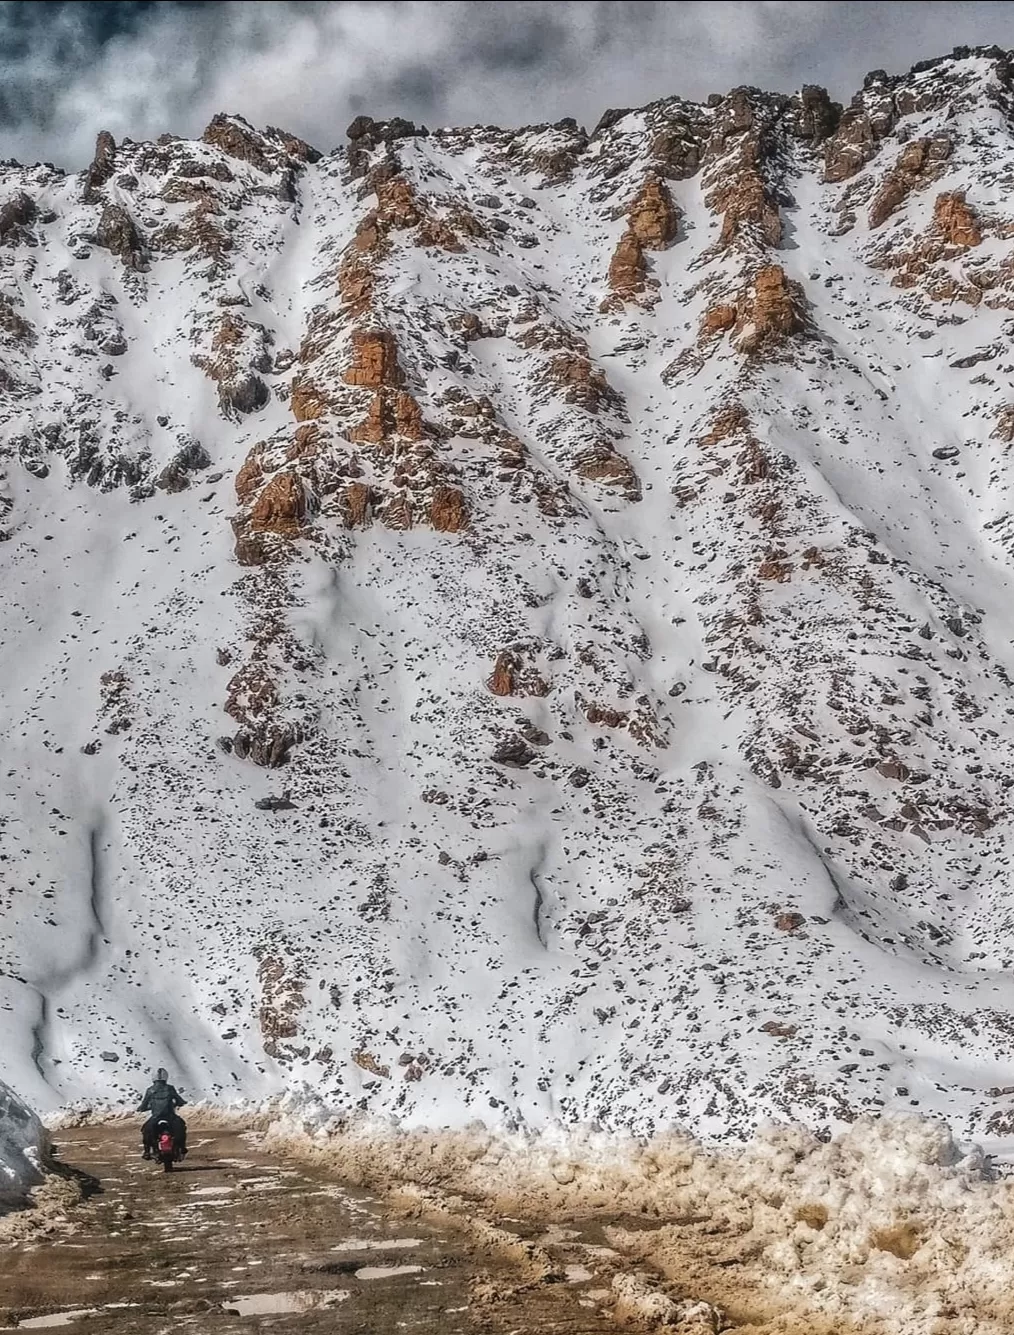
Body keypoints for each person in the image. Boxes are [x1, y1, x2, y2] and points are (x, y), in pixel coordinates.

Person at [139, 1068, 187, 1159]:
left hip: (155, 1117)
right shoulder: (170, 1088)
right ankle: (182, 1147)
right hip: (171, 1117)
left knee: (145, 1130)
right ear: (166, 1077)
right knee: (181, 1126)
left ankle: (147, 1151)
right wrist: (180, 1103)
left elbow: (144, 1104)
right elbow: (179, 1100)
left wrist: (142, 1108)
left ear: (153, 1078)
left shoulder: (150, 1090)